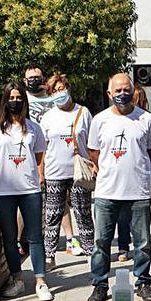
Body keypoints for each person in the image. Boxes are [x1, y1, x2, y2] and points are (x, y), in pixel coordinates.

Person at [87, 73, 151, 301]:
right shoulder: (99, 120)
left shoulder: (147, 120)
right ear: (109, 94)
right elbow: (94, 153)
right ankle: (100, 284)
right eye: (117, 90)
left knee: (142, 243)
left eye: (126, 89)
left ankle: (143, 282)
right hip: (107, 192)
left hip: (138, 191)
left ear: (134, 91)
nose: (122, 94)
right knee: (101, 242)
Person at [0, 82, 52, 301]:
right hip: (3, 191)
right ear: (5, 101)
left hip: (29, 189)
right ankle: (17, 279)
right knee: (9, 238)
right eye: (11, 97)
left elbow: (40, 155)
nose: (15, 101)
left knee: (34, 237)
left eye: (19, 97)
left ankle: (41, 281)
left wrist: (40, 176)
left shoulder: (33, 128)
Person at [38, 72, 95, 269]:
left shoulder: (83, 112)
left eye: (61, 89)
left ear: (68, 88)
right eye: (54, 91)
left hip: (79, 172)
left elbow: (91, 142)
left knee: (83, 212)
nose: (58, 93)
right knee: (52, 214)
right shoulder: (48, 117)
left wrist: (95, 164)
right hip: (54, 172)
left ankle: (90, 252)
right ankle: (49, 256)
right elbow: (42, 147)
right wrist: (41, 171)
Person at [115, 84, 151, 261]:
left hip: (144, 172)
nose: (137, 102)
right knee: (122, 212)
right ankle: (123, 247)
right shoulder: (113, 118)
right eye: (136, 98)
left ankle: (142, 246)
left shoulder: (147, 119)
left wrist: (141, 165)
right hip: (121, 174)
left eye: (140, 99)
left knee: (140, 210)